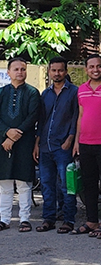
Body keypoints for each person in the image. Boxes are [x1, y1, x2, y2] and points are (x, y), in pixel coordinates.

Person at [34, 56, 78, 234]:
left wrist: (71, 138)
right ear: (49, 72)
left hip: (63, 145)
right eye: (54, 70)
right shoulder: (46, 93)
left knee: (67, 185)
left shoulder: (74, 92)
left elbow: (77, 117)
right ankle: (49, 219)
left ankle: (68, 219)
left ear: (66, 72)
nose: (57, 73)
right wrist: (37, 143)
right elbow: (41, 120)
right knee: (46, 184)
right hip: (45, 146)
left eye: (60, 70)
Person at [74, 54, 101, 236]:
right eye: (91, 67)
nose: (95, 70)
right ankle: (91, 221)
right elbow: (81, 116)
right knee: (88, 183)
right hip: (85, 143)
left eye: (98, 66)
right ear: (86, 70)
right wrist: (76, 141)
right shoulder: (81, 89)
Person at [0, 57, 39, 232]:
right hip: (3, 143)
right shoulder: (1, 92)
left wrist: (14, 136)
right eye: (16, 69)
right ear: (8, 72)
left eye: (23, 69)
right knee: (5, 183)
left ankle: (25, 219)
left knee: (24, 183)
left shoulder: (32, 92)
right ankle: (4, 219)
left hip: (24, 143)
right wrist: (6, 132)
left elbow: (32, 117)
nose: (20, 72)